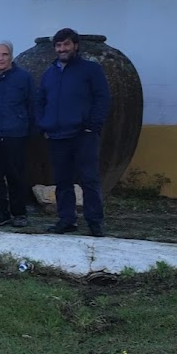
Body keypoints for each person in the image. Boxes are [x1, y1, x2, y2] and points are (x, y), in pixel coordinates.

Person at [36, 28, 111, 237]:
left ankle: (95, 221)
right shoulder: (49, 73)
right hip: (57, 136)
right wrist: (43, 124)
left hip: (83, 135)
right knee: (62, 181)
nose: (62, 49)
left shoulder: (91, 70)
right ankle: (67, 219)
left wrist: (92, 125)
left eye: (66, 44)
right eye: (58, 45)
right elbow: (40, 101)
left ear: (75, 46)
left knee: (89, 180)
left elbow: (102, 98)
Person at [0, 41, 33, 228]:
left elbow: (32, 104)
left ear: (11, 56)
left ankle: (19, 213)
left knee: (15, 174)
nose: (0, 58)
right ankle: (0, 212)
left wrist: (27, 127)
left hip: (15, 133)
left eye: (4, 54)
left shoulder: (24, 78)